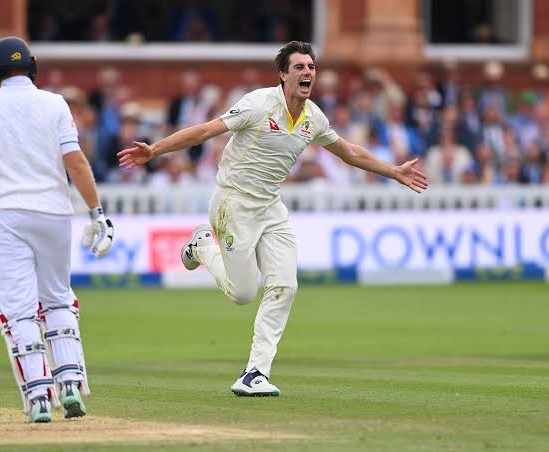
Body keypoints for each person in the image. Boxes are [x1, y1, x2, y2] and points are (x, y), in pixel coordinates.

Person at [118, 41, 427, 397]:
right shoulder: (258, 103)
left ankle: (254, 373)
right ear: (283, 75)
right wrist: (154, 150)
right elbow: (205, 131)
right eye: (299, 67)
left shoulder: (314, 117)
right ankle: (203, 244)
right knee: (243, 293)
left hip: (271, 207)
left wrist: (393, 171)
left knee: (286, 285)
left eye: (311, 66)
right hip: (233, 203)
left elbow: (348, 152)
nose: (307, 72)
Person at [0, 36, 115, 422]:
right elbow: (76, 162)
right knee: (57, 299)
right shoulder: (55, 103)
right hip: (53, 213)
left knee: (20, 310)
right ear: (32, 67)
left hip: (7, 214)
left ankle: (40, 398)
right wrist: (97, 213)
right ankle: (70, 384)